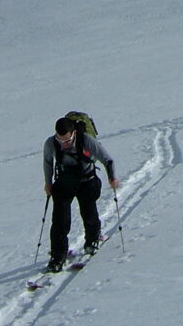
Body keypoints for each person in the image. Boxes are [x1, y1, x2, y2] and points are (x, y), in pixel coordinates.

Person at [43, 116, 120, 272]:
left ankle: (92, 240)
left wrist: (112, 178)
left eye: (67, 140)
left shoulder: (86, 139)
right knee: (60, 220)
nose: (64, 144)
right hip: (65, 180)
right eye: (60, 140)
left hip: (87, 180)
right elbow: (48, 162)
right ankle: (58, 256)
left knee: (88, 211)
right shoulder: (51, 143)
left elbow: (107, 159)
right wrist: (48, 183)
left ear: (73, 134)